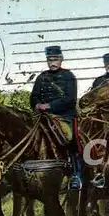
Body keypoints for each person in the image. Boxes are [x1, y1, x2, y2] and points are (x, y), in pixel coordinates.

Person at [30, 45, 82, 190]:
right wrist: (37, 105)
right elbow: (33, 97)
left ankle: (76, 175)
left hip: (64, 116)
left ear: (61, 59)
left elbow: (70, 99)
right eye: (50, 60)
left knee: (70, 138)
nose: (52, 63)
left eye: (55, 59)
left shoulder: (69, 76)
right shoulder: (41, 77)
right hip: (43, 117)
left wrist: (49, 106)